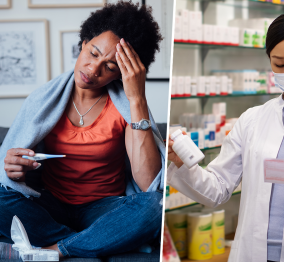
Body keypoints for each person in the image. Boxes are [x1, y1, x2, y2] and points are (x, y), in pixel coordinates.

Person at [167, 11, 284, 262]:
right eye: (280, 64)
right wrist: (181, 163)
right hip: (252, 253)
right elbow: (216, 189)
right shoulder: (252, 119)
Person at [0, 1, 166, 258]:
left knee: (156, 207)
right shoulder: (44, 100)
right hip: (49, 205)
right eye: (93, 53)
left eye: (110, 67)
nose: (93, 69)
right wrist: (14, 169)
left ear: (121, 74)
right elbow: (10, 172)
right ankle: (94, 240)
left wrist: (137, 99)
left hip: (104, 208)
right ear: (83, 43)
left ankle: (54, 249)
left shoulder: (127, 107)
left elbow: (148, 184)